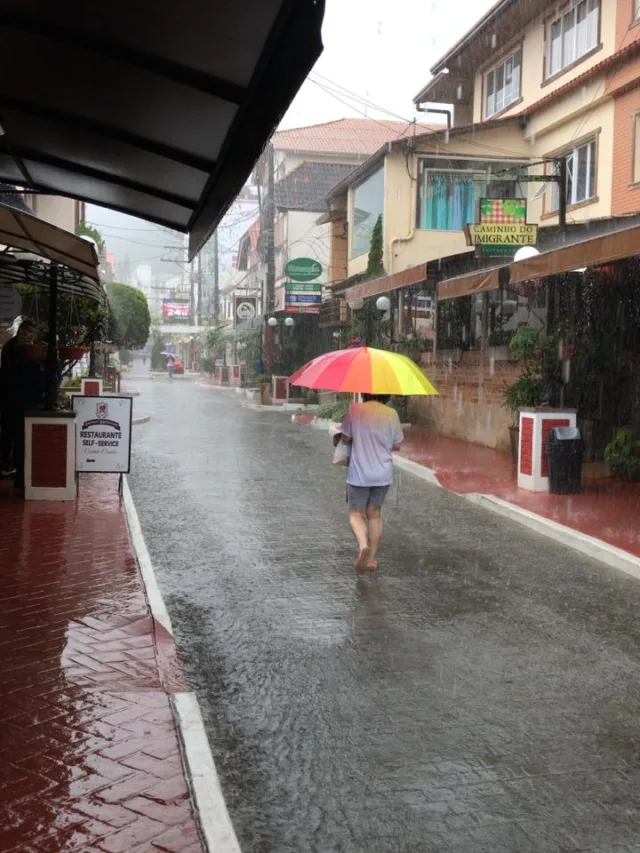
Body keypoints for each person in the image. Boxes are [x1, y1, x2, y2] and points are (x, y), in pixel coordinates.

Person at [340, 394, 404, 573]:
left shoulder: (355, 411)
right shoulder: (392, 414)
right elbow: (397, 444)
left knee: (355, 513)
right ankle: (371, 559)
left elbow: (345, 438)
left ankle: (362, 546)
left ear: (364, 392)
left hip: (359, 474)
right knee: (374, 514)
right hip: (382, 475)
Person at [0, 318, 43, 487]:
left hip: (22, 398)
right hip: (14, 399)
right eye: (26, 332)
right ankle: (10, 468)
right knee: (15, 436)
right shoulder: (13, 348)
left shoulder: (30, 348)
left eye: (31, 332)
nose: (28, 336)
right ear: (21, 331)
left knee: (17, 437)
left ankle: (14, 469)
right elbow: (10, 372)